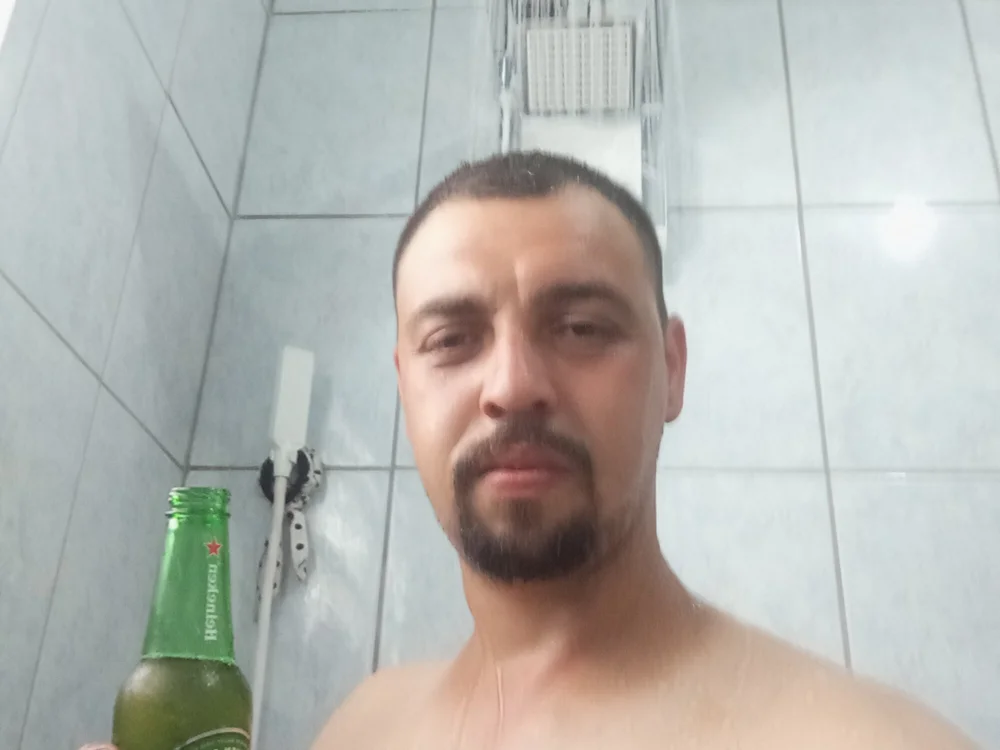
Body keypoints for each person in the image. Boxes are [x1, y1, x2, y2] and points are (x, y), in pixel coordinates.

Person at [83, 152, 977, 750]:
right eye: (452, 340)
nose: (511, 385)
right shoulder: (364, 727)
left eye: (581, 326)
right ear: (405, 385)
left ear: (671, 369)